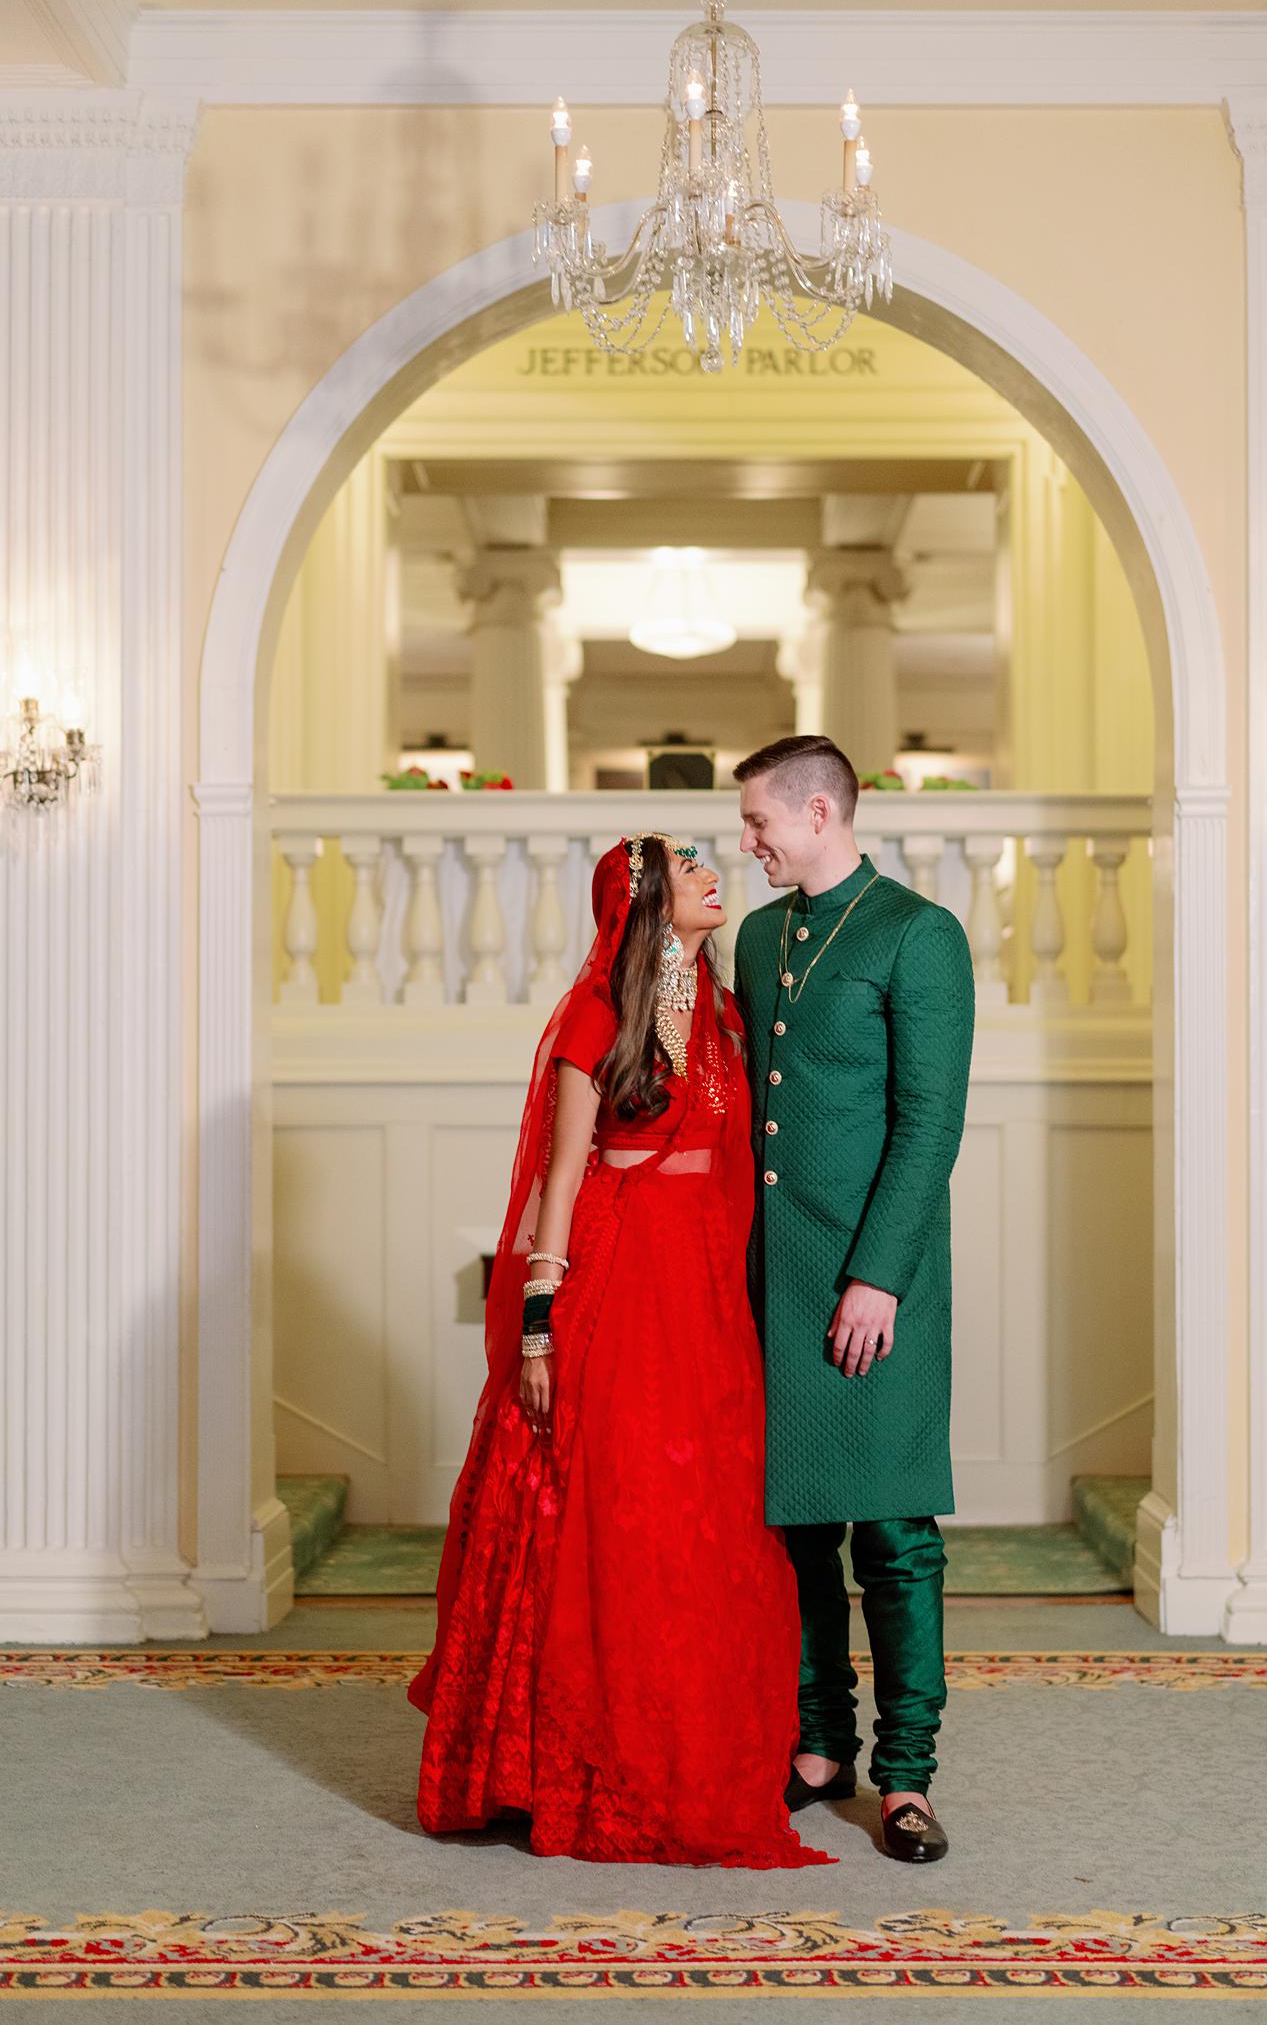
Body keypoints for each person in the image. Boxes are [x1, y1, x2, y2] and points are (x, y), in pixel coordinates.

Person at [409, 832, 831, 1870]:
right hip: (618, 1283)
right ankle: (579, 1760)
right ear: (644, 902)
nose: (707, 872)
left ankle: (693, 1738)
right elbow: (559, 1181)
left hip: (704, 1296)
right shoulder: (596, 1016)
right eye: (685, 866)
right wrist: (540, 1324)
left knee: (705, 1513)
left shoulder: (726, 1014)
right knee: (617, 1508)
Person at [732, 735, 976, 1864]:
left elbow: (927, 1127)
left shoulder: (918, 935)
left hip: (875, 1280)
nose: (748, 844)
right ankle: (819, 1742)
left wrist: (876, 1274)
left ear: (817, 810)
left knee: (891, 1534)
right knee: (795, 1531)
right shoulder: (757, 935)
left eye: (758, 824)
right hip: (773, 1278)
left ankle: (908, 1775)